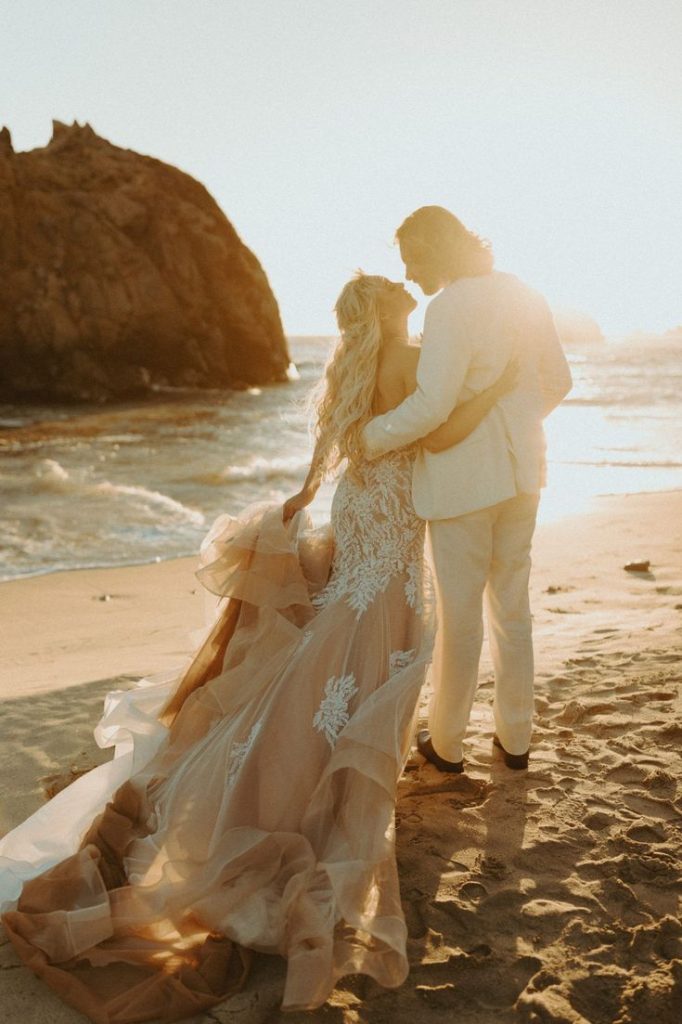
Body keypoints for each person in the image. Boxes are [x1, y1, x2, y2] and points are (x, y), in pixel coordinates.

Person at [0, 273, 516, 1024]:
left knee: (336, 640)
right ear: (387, 311)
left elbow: (328, 453)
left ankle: (299, 760)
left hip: (359, 508)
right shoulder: (405, 360)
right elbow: (435, 428)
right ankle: (324, 781)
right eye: (399, 297)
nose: (410, 298)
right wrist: (493, 384)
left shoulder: (346, 368)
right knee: (376, 640)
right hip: (392, 523)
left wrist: (302, 502)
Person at [363, 206, 573, 775]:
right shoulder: (524, 295)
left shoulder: (449, 307)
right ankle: (516, 742)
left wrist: (369, 436)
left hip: (462, 483)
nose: (408, 273)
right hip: (525, 475)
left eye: (413, 259)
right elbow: (560, 381)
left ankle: (449, 744)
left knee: (460, 618)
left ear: (438, 251)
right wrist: (518, 419)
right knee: (513, 610)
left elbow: (431, 406)